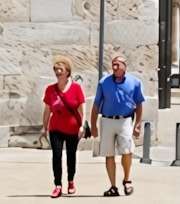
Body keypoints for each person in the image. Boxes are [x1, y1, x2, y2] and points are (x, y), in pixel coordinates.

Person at [90, 53, 145, 197]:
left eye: (118, 64)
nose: (115, 67)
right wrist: (93, 125)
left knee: (126, 150)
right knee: (109, 154)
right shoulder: (104, 82)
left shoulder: (135, 83)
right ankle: (113, 186)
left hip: (125, 120)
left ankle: (127, 180)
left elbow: (139, 105)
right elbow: (96, 104)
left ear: (124, 66)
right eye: (113, 64)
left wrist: (137, 124)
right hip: (107, 120)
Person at [42, 56, 86, 198]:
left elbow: (82, 107)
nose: (58, 71)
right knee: (56, 155)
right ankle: (58, 185)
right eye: (56, 69)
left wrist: (82, 125)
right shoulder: (50, 89)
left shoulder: (76, 88)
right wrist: (45, 127)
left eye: (61, 68)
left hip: (73, 128)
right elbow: (47, 109)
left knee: (71, 155)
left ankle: (71, 181)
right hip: (55, 128)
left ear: (68, 71)